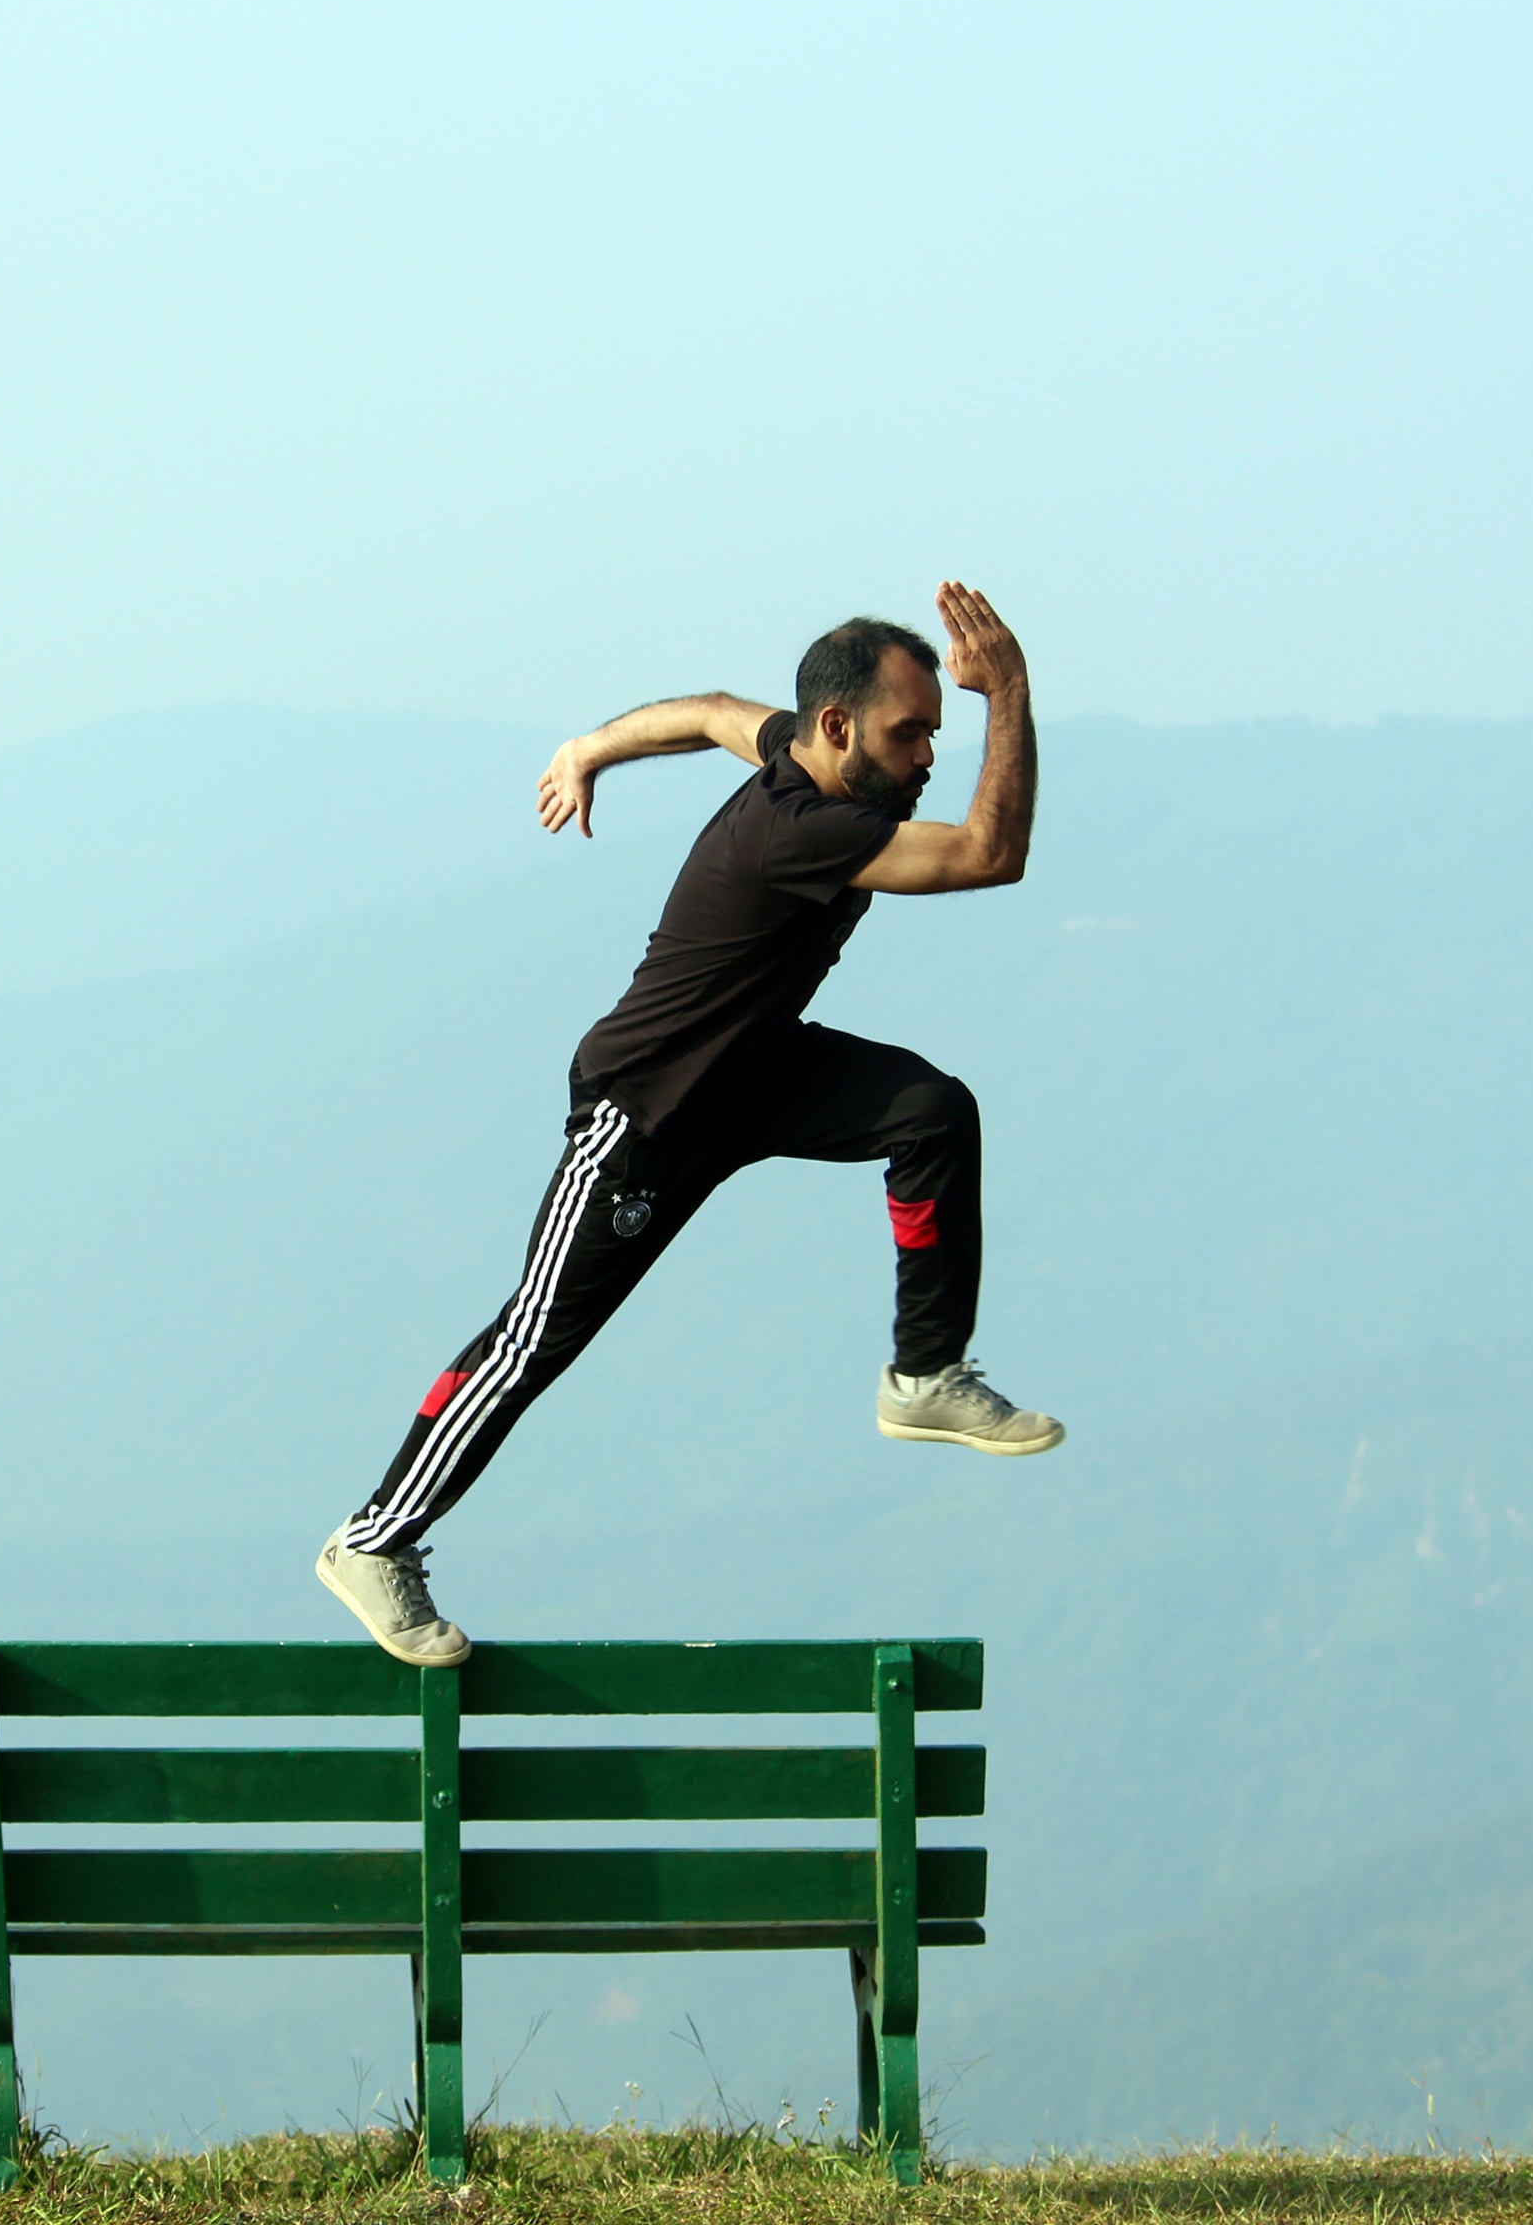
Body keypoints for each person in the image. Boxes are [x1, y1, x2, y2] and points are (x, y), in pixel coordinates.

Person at [316, 582, 1065, 1664]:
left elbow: (712, 709)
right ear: (840, 728)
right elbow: (991, 855)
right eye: (913, 735)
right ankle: (373, 1540)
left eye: (936, 735)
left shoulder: (791, 751)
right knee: (533, 1340)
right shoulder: (799, 828)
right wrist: (1013, 696)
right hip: (650, 1112)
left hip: (759, 1069)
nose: (927, 758)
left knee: (932, 1113)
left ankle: (924, 1375)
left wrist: (589, 748)